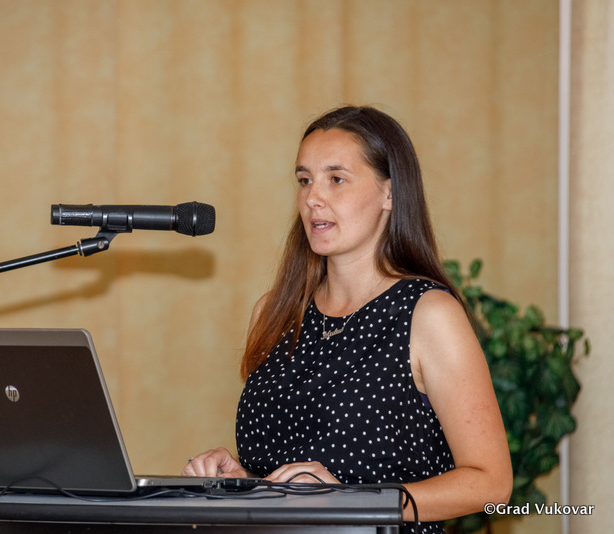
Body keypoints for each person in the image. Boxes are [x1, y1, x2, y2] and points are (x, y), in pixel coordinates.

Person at [182, 105, 512, 533]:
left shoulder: (428, 313)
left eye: (336, 179)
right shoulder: (273, 312)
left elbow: (490, 484)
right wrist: (242, 480)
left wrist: (351, 501)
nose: (312, 198)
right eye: (305, 180)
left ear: (390, 194)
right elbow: (291, 484)